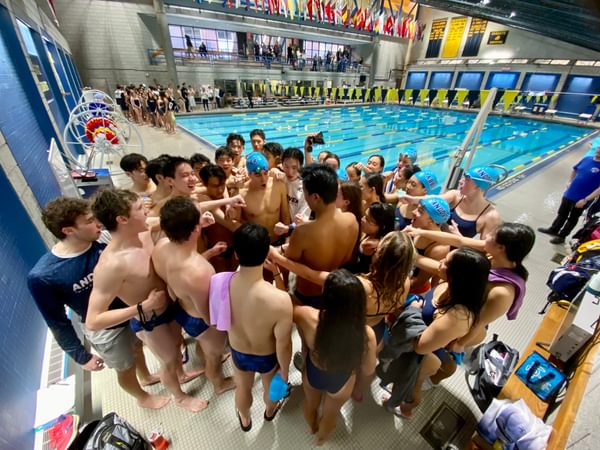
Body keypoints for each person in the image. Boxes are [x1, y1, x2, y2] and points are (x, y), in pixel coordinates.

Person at [28, 197, 168, 410]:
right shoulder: (44, 276)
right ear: (68, 231)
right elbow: (56, 321)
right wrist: (80, 355)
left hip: (132, 313)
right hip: (107, 328)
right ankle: (142, 396)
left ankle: (147, 376)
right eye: (90, 220)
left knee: (137, 348)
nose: (99, 223)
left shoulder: (103, 239)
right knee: (125, 367)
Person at [86, 189, 209, 412]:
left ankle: (181, 375)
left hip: (171, 307)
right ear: (122, 220)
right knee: (169, 359)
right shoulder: (111, 265)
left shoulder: (144, 231)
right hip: (150, 319)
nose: (147, 212)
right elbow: (93, 320)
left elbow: (172, 220)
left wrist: (201, 221)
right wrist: (141, 307)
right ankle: (180, 397)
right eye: (141, 210)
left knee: (177, 346)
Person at [152, 197, 235, 396]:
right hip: (201, 320)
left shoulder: (161, 246)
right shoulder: (199, 272)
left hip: (180, 308)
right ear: (196, 229)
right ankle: (219, 383)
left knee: (203, 344)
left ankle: (202, 349)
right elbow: (209, 315)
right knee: (213, 355)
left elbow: (182, 275)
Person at [399, 248, 490, 418]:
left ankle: (406, 409)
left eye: (445, 262)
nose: (440, 262)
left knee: (413, 385)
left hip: (429, 354)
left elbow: (421, 348)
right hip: (427, 340)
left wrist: (412, 311)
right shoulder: (452, 285)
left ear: (458, 274)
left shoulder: (457, 316)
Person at [293, 270, 377, 445]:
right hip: (343, 379)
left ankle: (312, 428)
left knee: (310, 405)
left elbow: (287, 304)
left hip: (314, 372)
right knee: (331, 416)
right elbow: (369, 369)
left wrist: (278, 276)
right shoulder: (365, 334)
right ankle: (321, 440)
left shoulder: (309, 317)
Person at [227, 223, 293, 431]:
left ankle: (245, 420)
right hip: (266, 355)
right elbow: (283, 345)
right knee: (270, 386)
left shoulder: (221, 284)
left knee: (243, 388)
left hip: (238, 351)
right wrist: (284, 371)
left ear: (236, 254)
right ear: (267, 252)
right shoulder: (280, 301)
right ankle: (270, 412)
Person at [283, 164, 359, 309]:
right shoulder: (351, 220)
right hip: (333, 291)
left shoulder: (303, 232)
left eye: (305, 192)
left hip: (307, 294)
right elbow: (347, 257)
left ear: (315, 197)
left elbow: (288, 265)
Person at [538, 145, 600, 244]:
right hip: (570, 193)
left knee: (572, 218)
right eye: (599, 148)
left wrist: (586, 200)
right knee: (561, 213)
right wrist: (570, 181)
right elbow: (575, 169)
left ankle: (562, 236)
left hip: (582, 199)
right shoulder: (587, 159)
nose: (599, 150)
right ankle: (554, 229)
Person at [238, 152, 291, 243]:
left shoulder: (278, 185)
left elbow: (285, 216)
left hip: (278, 240)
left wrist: (287, 240)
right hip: (256, 245)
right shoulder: (242, 194)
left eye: (266, 173)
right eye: (258, 175)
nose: (263, 179)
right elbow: (238, 223)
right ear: (249, 175)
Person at [198, 164, 238, 272]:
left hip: (235, 249)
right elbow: (231, 225)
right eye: (215, 186)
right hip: (216, 252)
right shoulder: (203, 200)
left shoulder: (229, 193)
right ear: (204, 184)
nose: (220, 190)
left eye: (222, 185)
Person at [408, 197, 451, 294]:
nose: (413, 212)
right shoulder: (417, 228)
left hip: (412, 290)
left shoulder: (440, 248)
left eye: (420, 211)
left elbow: (417, 282)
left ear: (431, 220)